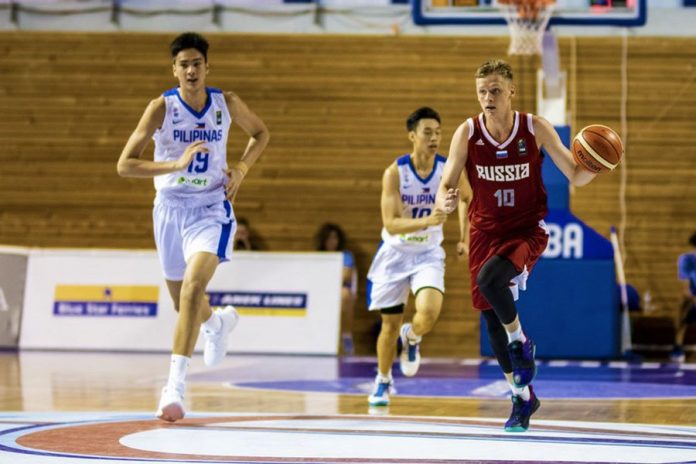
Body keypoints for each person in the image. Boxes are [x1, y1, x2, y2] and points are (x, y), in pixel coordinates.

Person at [435, 59, 600, 432]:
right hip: (484, 230)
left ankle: (521, 342)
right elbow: (447, 182)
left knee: (492, 280)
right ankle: (522, 398)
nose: (488, 97)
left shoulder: (535, 127)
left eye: (495, 90)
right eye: (482, 91)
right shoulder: (468, 132)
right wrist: (444, 200)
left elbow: (575, 174)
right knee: (491, 315)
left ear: (511, 91)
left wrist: (597, 164)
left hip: (525, 229)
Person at [116, 32, 270, 422]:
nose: (190, 70)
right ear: (174, 70)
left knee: (192, 288)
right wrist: (174, 164)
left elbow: (261, 133)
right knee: (181, 301)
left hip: (210, 208)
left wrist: (241, 168)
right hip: (169, 209)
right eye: (183, 64)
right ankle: (217, 323)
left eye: (196, 63)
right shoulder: (160, 109)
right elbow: (125, 165)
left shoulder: (226, 102)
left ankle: (175, 387)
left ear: (206, 67)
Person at [366, 107, 468, 407]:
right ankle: (383, 381)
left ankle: (412, 337)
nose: (435, 138)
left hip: (427, 253)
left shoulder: (447, 169)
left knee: (429, 313)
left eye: (438, 132)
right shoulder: (395, 173)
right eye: (428, 132)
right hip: (395, 253)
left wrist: (464, 238)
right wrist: (427, 220)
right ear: (412, 135)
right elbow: (391, 223)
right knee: (389, 325)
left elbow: (467, 199)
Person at [315, 223, 357, 355]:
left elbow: (346, 275)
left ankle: (346, 336)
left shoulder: (346, 255)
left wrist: (327, 278)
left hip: (339, 291)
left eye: (335, 238)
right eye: (329, 238)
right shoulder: (317, 257)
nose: (332, 241)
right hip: (320, 291)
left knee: (345, 294)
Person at [670, 231, 696, 363]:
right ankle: (678, 344)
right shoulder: (686, 260)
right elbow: (686, 289)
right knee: (682, 303)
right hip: (692, 296)